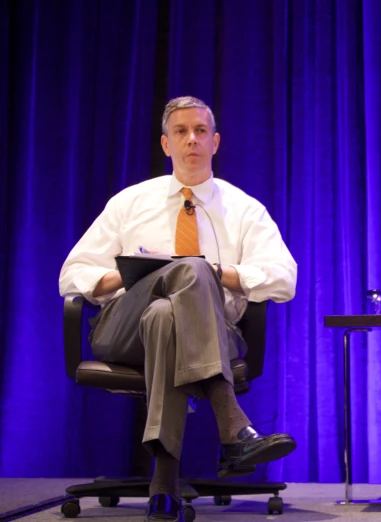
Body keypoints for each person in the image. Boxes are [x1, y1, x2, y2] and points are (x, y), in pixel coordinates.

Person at [59, 96, 297, 521]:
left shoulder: (243, 209)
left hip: (210, 332)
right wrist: (129, 274)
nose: (192, 139)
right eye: (182, 132)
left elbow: (284, 277)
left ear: (216, 142)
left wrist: (216, 272)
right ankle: (233, 426)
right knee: (176, 282)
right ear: (166, 144)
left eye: (201, 131)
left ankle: (163, 484)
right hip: (122, 331)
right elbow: (72, 273)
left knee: (167, 316)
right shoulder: (129, 203)